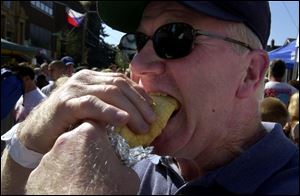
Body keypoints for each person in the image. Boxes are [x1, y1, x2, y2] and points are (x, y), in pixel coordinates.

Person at [1, 1, 299, 195]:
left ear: (250, 72)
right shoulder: (133, 161)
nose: (138, 65)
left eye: (173, 37)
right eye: (137, 42)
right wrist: (32, 138)